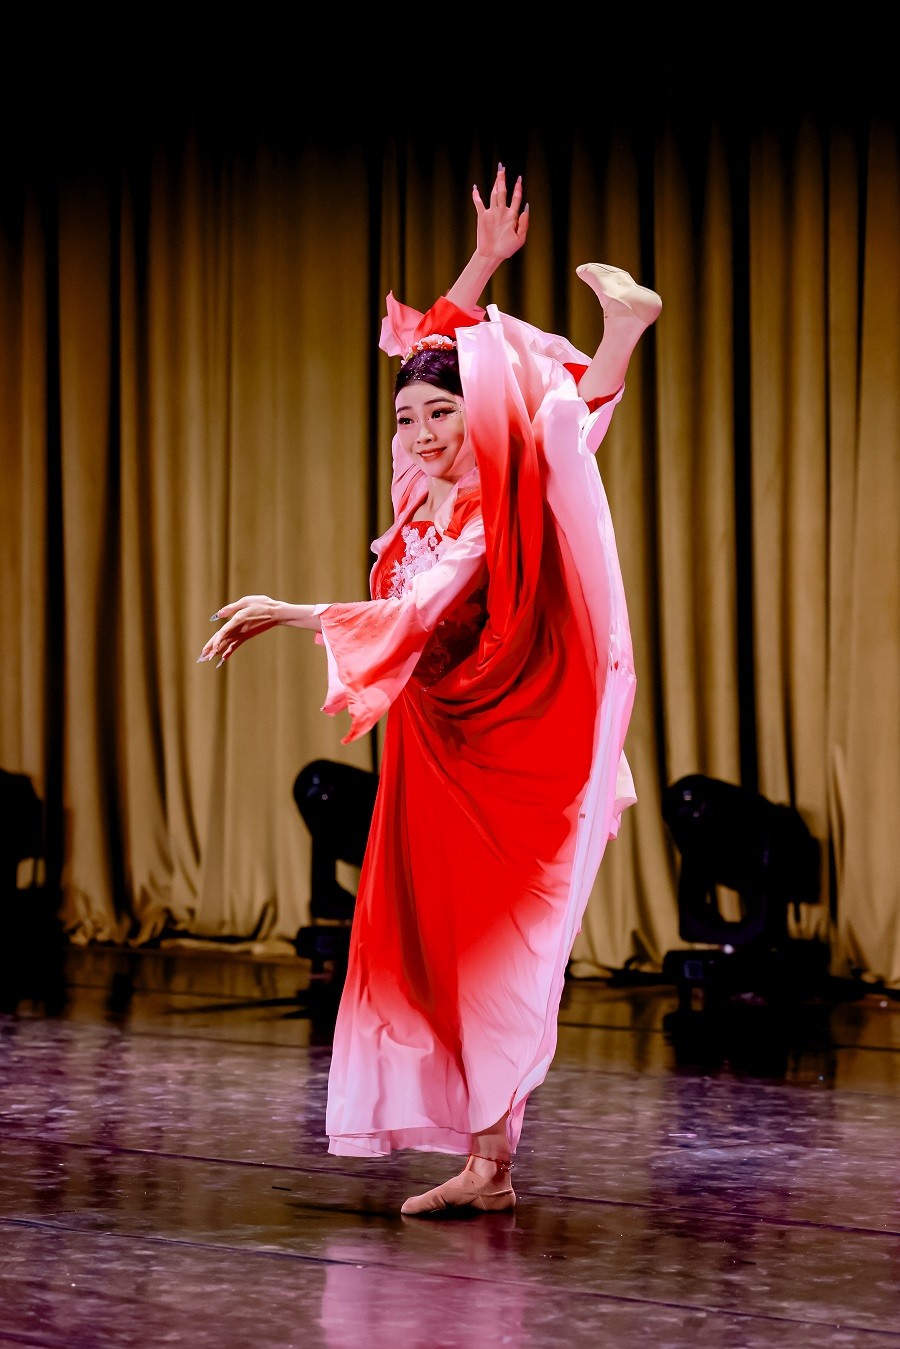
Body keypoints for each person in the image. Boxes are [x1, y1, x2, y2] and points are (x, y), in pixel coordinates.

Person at [198, 165, 661, 1216]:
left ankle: (625, 333)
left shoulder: (489, 512)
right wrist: (483, 263)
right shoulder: (424, 487)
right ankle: (489, 1165)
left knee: (498, 956)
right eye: (407, 418)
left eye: (442, 414)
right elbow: (434, 345)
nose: (421, 432)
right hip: (433, 747)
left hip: (499, 753)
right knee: (437, 948)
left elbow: (414, 613)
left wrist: (289, 610)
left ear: (473, 415)